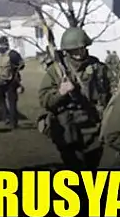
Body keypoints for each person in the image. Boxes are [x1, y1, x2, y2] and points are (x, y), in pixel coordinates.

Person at [37, 27, 112, 170]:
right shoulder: (56, 71)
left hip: (94, 128)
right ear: (67, 51)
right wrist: (61, 93)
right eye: (73, 50)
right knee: (75, 170)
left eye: (81, 49)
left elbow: (109, 94)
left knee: (94, 168)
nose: (78, 53)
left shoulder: (98, 67)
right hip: (69, 130)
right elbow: (45, 100)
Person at [0, 35, 24, 129]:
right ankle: (14, 122)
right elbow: (22, 65)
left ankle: (6, 117)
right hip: (12, 81)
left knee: (1, 100)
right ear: (7, 42)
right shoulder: (13, 53)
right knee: (12, 102)